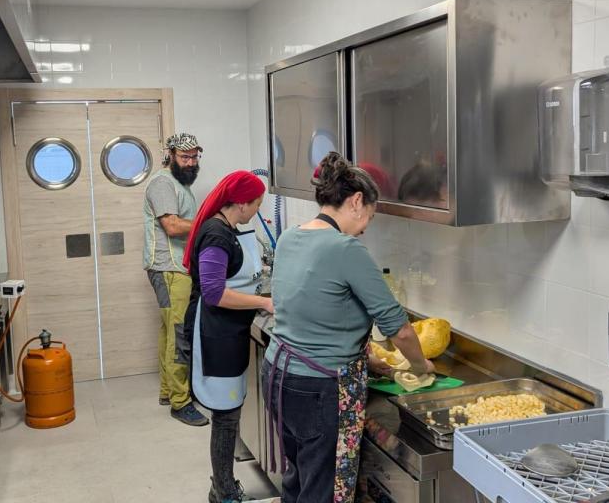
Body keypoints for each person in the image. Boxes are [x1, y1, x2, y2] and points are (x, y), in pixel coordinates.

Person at [263, 152, 433, 503]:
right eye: (369, 215)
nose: (367, 226)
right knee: (323, 490)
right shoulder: (346, 249)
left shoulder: (291, 238)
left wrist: (367, 362)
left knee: (299, 478)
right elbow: (398, 329)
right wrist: (421, 367)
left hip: (278, 375)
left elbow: (308, 313)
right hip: (320, 389)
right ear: (356, 201)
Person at [183, 171, 275, 503]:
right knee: (225, 416)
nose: (257, 210)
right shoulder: (217, 235)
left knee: (229, 413)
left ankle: (222, 485)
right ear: (242, 203)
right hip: (214, 333)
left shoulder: (229, 230)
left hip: (229, 330)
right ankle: (222, 490)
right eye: (257, 204)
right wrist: (264, 302)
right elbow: (213, 293)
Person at [143, 132, 208, 426]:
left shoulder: (180, 185)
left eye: (195, 157)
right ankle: (180, 403)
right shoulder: (162, 184)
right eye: (185, 157)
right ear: (171, 155)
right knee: (179, 332)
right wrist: (210, 225)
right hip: (169, 268)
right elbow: (171, 225)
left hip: (176, 268)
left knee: (170, 330)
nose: (191, 162)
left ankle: (169, 391)